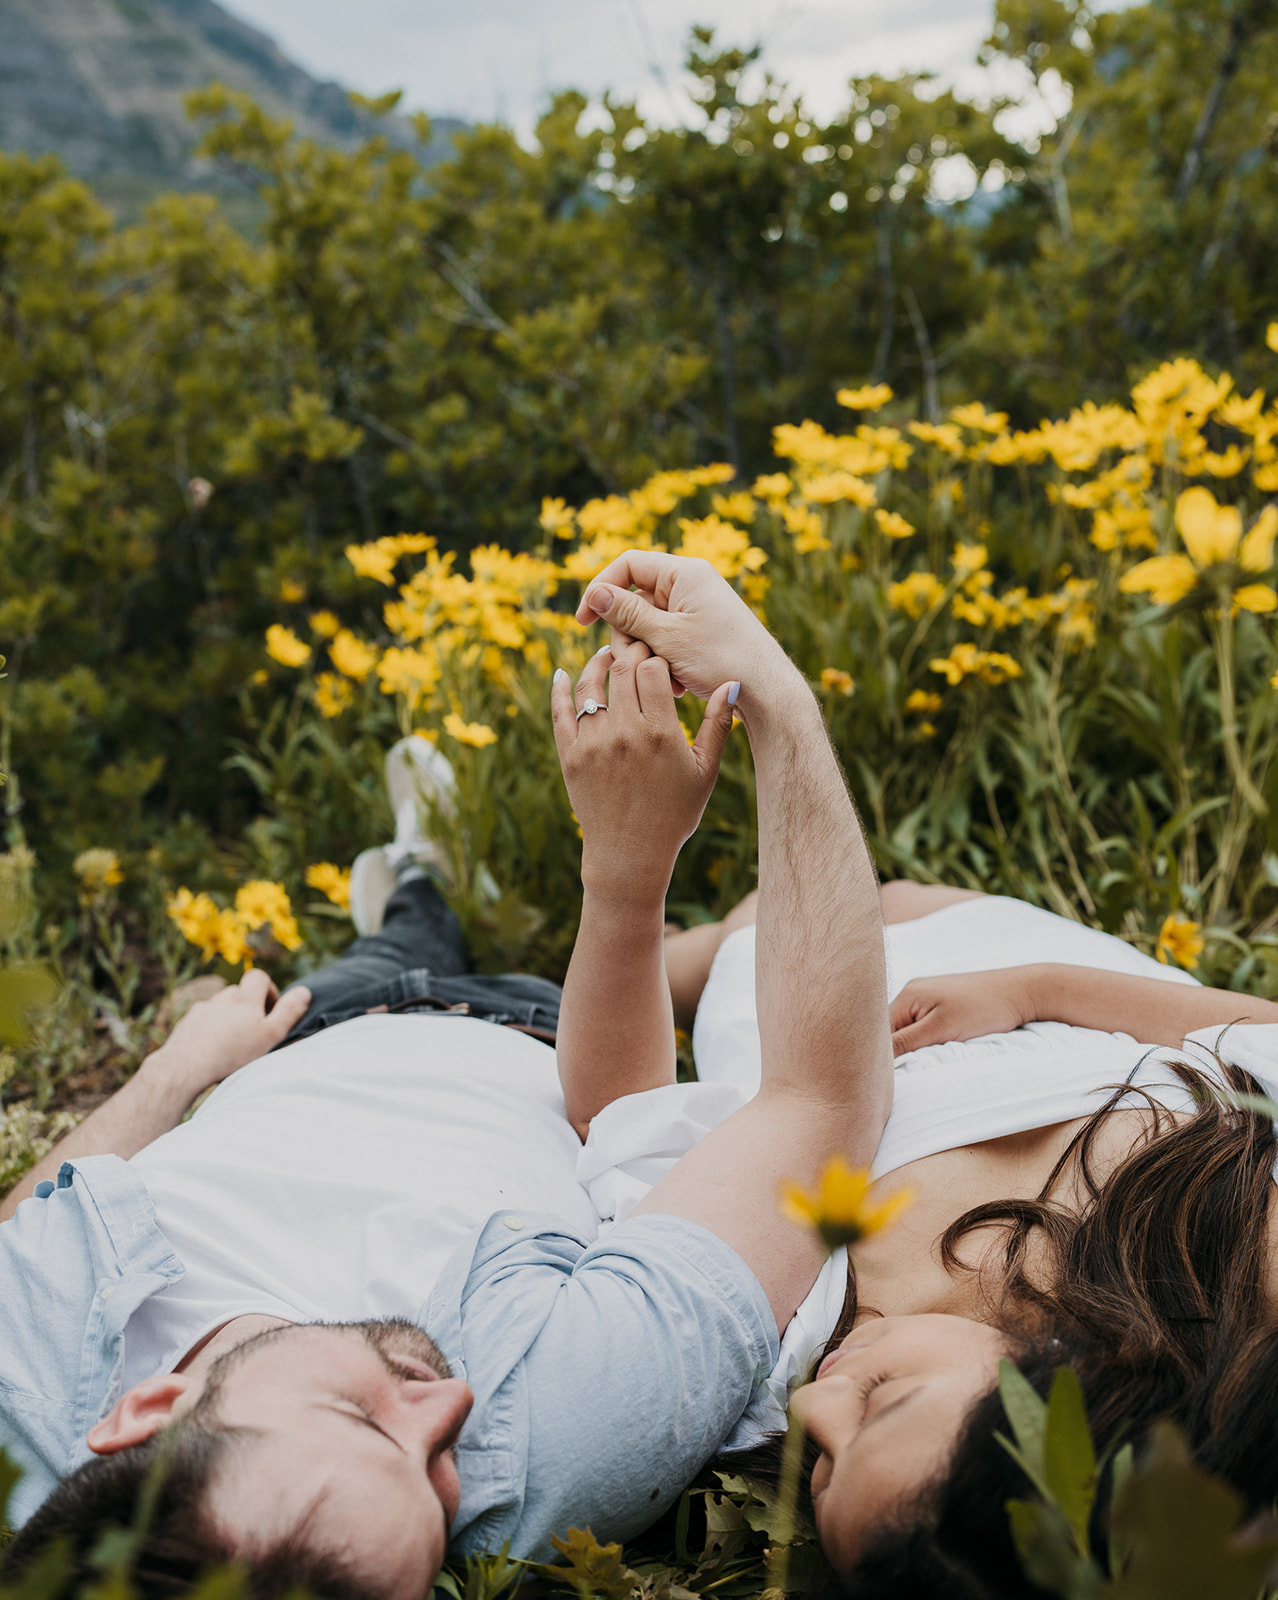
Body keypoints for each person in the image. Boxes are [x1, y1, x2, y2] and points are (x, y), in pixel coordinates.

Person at [0, 561, 895, 1600]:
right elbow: (819, 1102)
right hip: (540, 1030)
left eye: (360, 1417)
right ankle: (489, 888)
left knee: (401, 926)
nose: (448, 1412)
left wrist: (178, 1068)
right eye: (436, 1494)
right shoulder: (554, 1436)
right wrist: (765, 702)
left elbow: (26, 1232)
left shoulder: (21, 1395)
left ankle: (415, 872)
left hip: (303, 1030)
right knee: (633, 954)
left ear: (143, 1411)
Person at [576, 557, 1278, 1594]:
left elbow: (619, 1116)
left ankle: (671, 937)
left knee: (723, 940)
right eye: (884, 1409)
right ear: (1069, 1435)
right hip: (980, 944)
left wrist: (622, 887)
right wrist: (1035, 987)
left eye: (816, 1469)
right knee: (883, 893)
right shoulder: (1235, 1274)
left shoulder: (796, 1333)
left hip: (777, 964)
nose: (818, 1411)